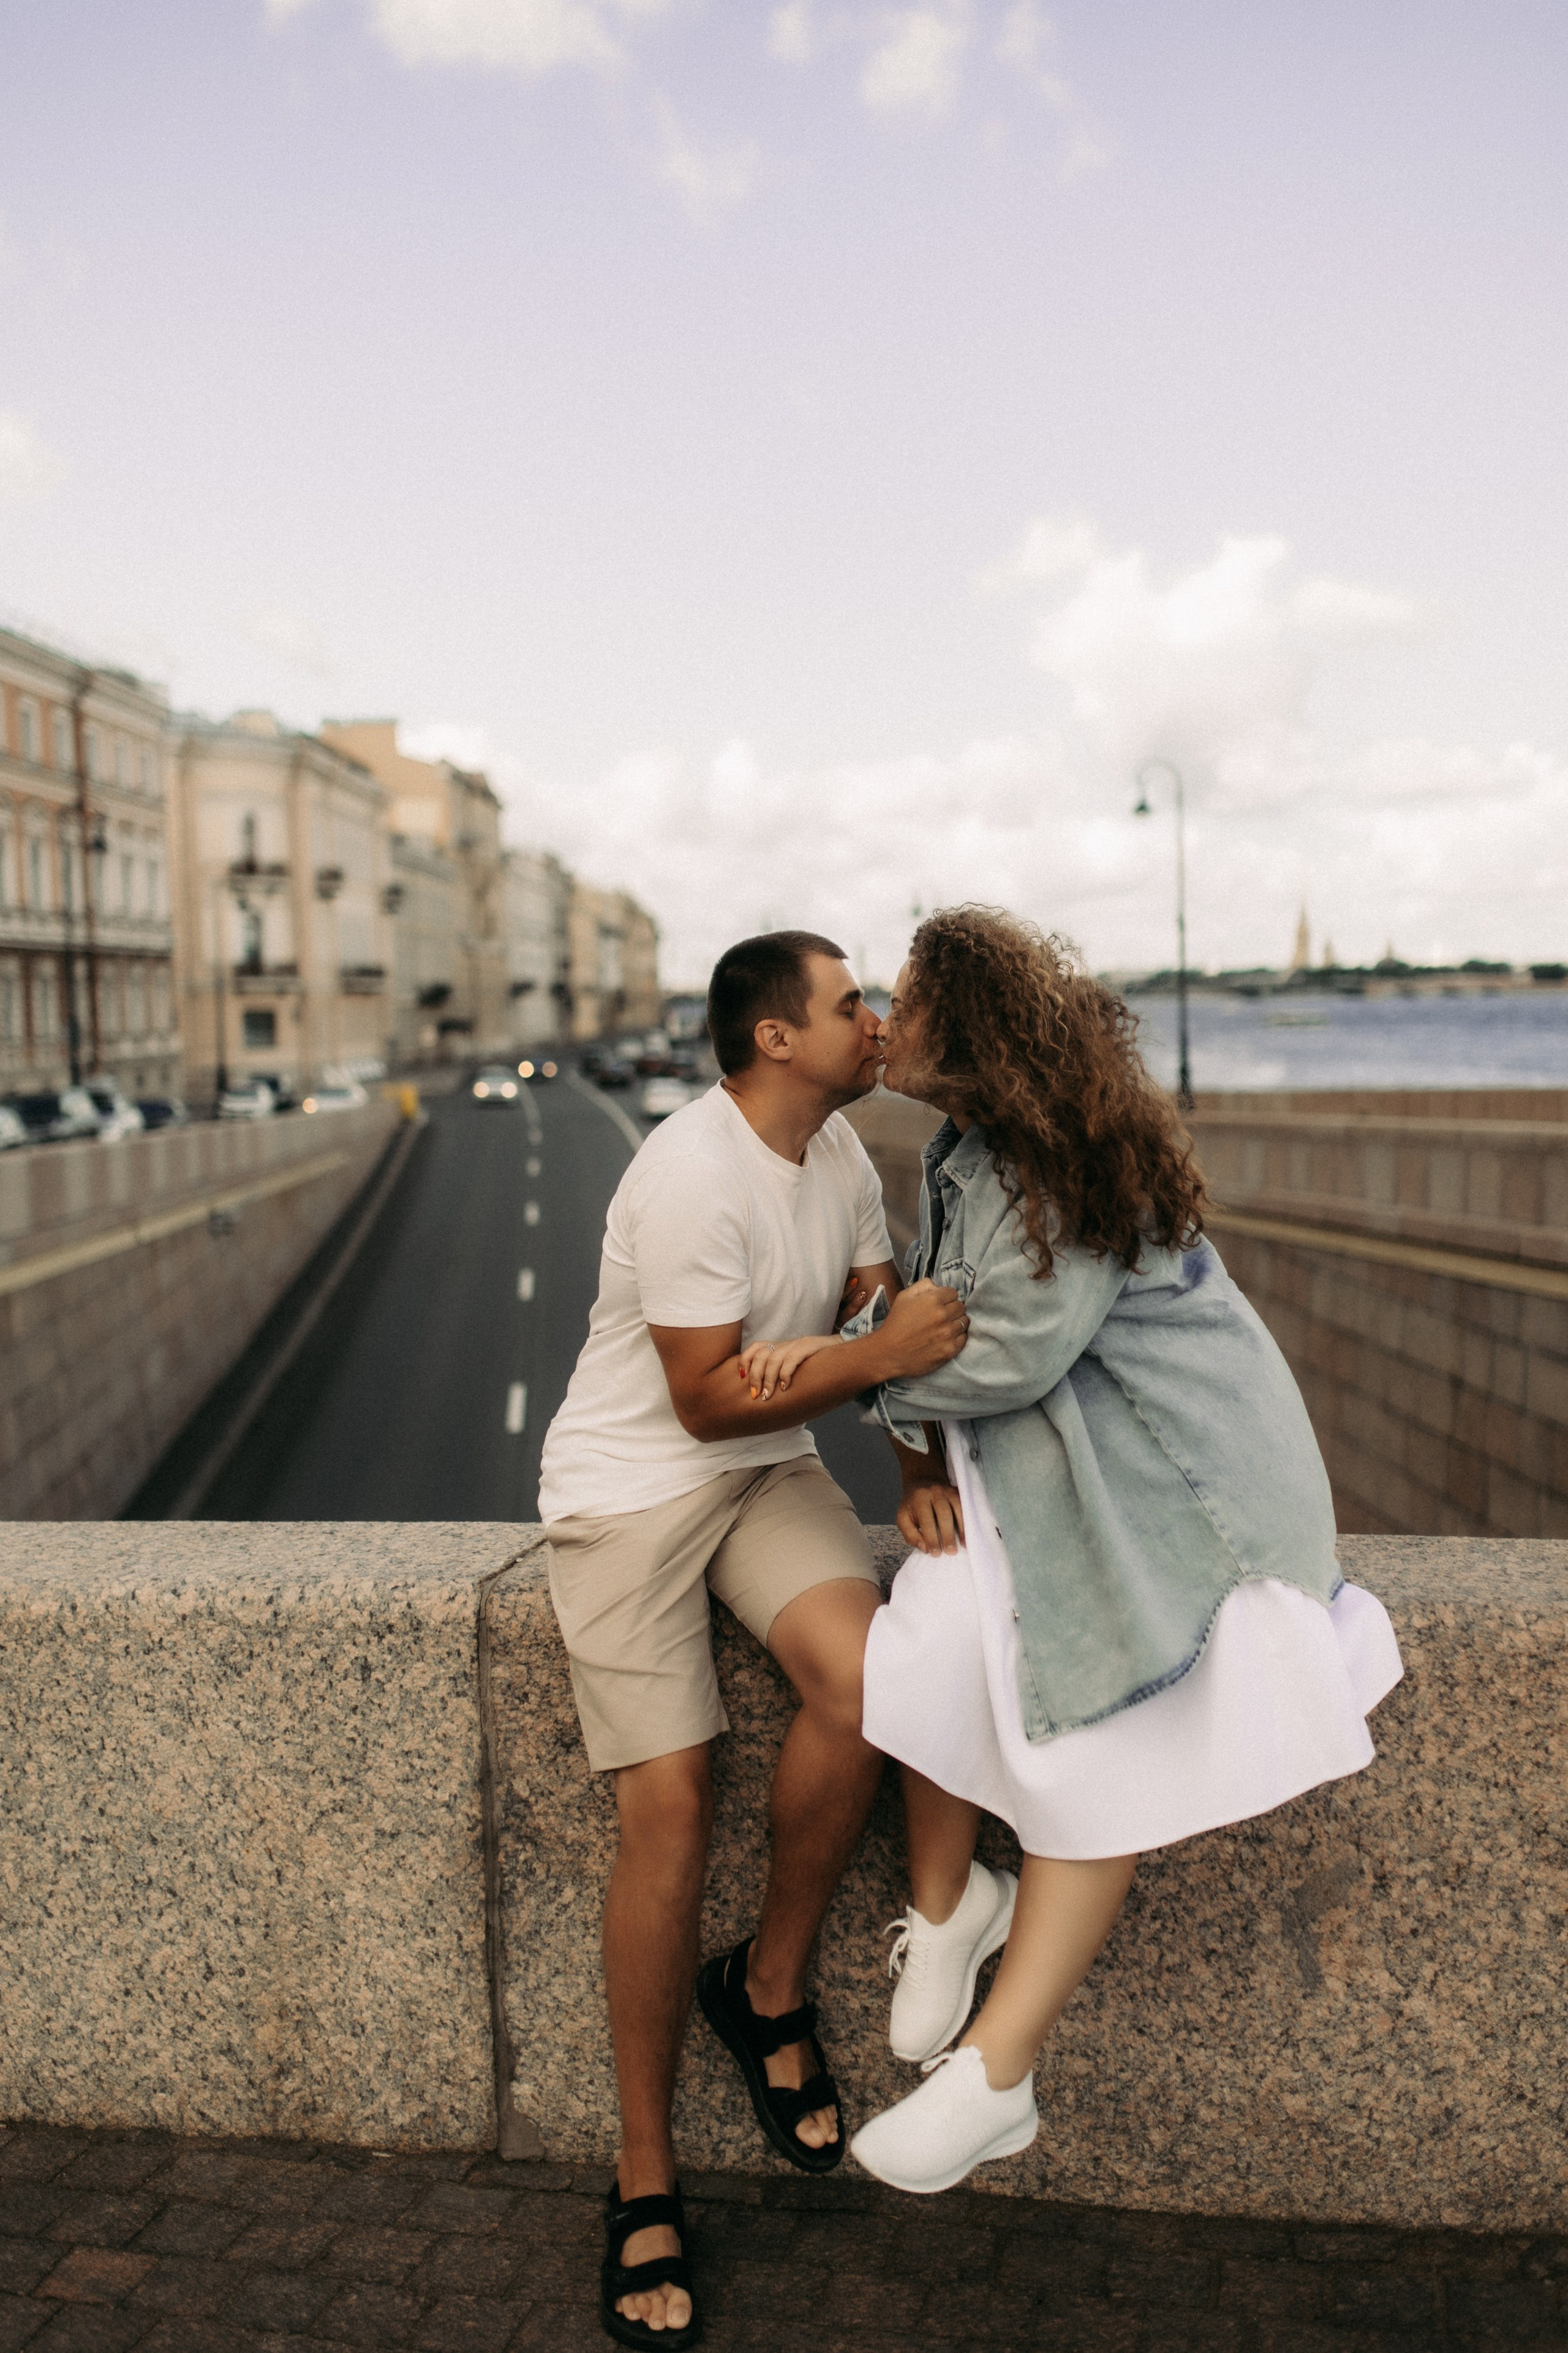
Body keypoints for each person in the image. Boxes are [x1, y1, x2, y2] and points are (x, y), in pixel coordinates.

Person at [736, 905, 1404, 2196]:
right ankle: (948, 1909)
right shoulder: (964, 1146)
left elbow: (999, 1350)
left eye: (905, 1001)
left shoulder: (1055, 1164)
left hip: (1169, 1495)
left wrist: (840, 1368)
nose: (884, 1020)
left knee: (1091, 1762)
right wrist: (899, 1390)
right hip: (1059, 1480)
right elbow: (934, 1318)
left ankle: (999, 2072)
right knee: (923, 1647)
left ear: (967, 1027)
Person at [538, 930, 968, 2347]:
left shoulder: (841, 1156)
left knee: (872, 1682)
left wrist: (900, 1447)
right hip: (630, 1490)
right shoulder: (689, 1172)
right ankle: (643, 2167)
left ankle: (764, 1986)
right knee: (670, 1803)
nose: (876, 1021)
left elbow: (861, 1323)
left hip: (760, 1477)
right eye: (851, 1004)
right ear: (775, 1037)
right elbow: (709, 1396)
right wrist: (866, 1355)